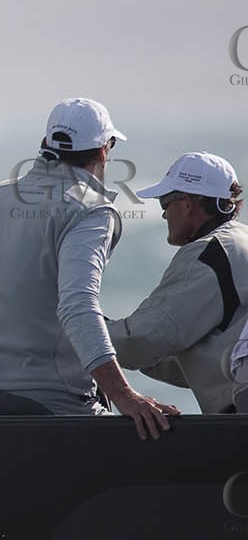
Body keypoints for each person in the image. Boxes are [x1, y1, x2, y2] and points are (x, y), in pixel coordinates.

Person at [0, 98, 178, 438]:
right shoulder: (92, 211)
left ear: (44, 146)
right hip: (51, 401)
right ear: (104, 150)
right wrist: (123, 395)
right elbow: (77, 305)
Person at [100, 153, 248, 415]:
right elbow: (184, 355)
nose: (164, 214)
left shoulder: (209, 254)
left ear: (188, 204)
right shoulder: (240, 241)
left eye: (165, 202)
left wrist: (82, 333)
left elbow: (144, 339)